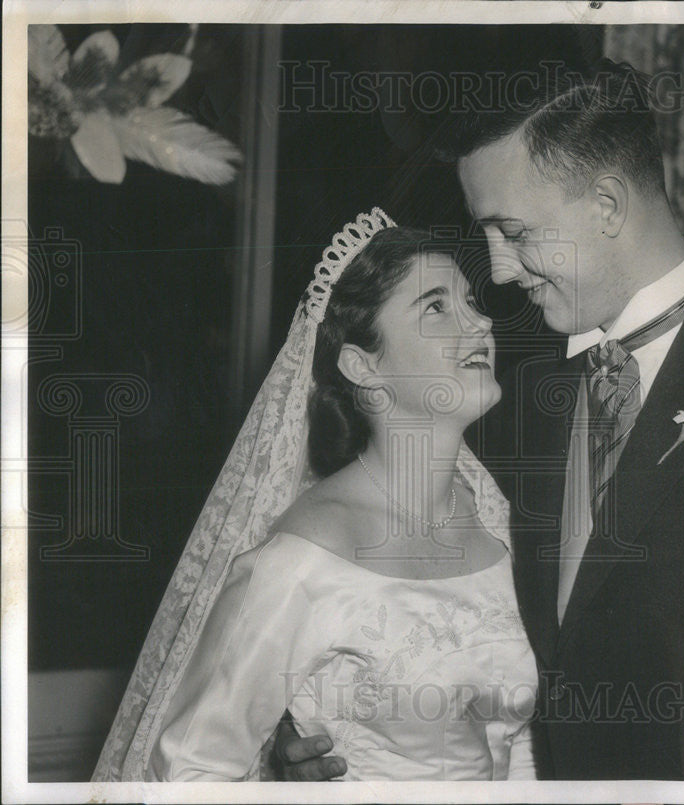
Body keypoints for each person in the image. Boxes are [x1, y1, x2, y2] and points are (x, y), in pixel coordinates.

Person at [278, 62, 684, 780]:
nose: (499, 271)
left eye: (513, 231)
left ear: (606, 205)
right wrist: (319, 726)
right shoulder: (519, 403)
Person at [93, 211, 538, 781]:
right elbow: (186, 774)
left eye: (472, 302)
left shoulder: (496, 515)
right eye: (436, 307)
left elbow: (519, 742)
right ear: (362, 365)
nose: (479, 324)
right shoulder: (305, 555)